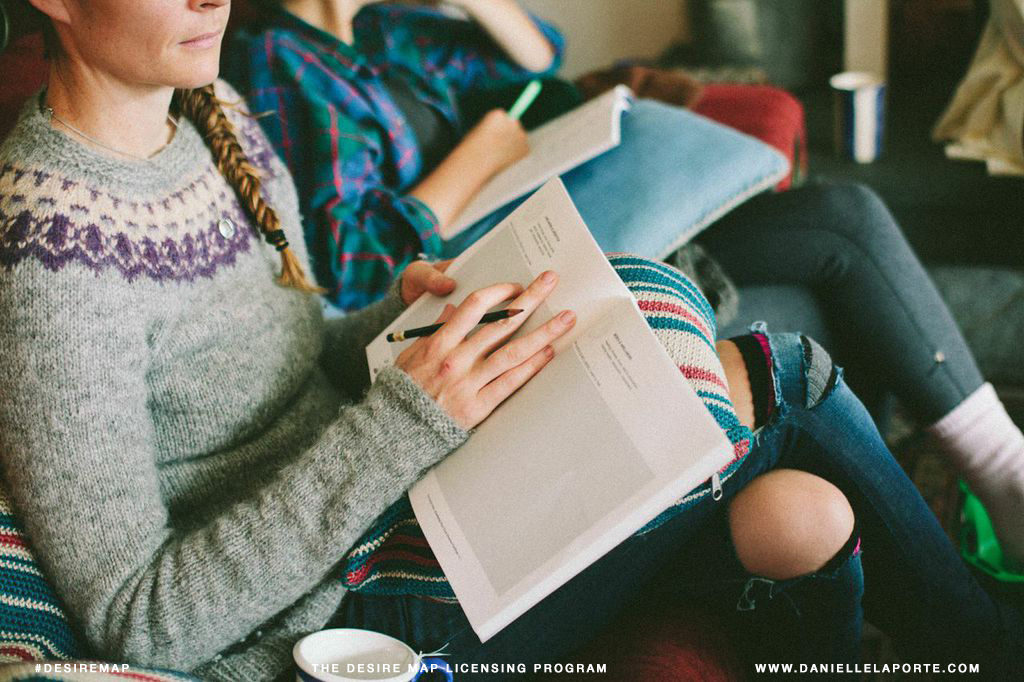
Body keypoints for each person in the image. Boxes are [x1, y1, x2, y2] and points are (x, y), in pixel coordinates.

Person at [1, 1, 1022, 680]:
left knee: (798, 508)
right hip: (328, 612)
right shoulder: (47, 250)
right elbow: (140, 619)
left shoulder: (207, 112)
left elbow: (284, 350)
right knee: (778, 377)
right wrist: (406, 418)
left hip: (394, 495)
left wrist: (411, 318)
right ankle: (988, 641)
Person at [225, 0, 1024, 565]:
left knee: (842, 217)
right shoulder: (275, 61)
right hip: (506, 304)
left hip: (579, 240)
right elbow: (356, 268)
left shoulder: (383, 28)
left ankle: (980, 485)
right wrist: (475, 162)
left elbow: (539, 51)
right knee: (818, 298)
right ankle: (970, 501)